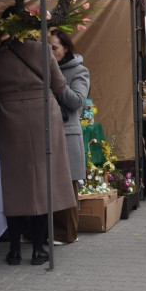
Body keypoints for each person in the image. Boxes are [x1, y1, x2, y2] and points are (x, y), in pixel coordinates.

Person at [0, 19, 76, 266]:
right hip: (44, 116)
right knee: (43, 182)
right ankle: (38, 248)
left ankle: (14, 249)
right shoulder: (43, 49)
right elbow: (58, 85)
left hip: (11, 120)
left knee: (15, 183)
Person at [51, 29, 90, 244]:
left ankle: (67, 233)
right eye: (46, 48)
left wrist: (57, 80)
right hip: (47, 133)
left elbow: (76, 101)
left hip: (67, 134)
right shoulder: (44, 69)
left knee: (67, 185)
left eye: (54, 48)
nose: (50, 52)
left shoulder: (79, 71)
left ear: (66, 48)